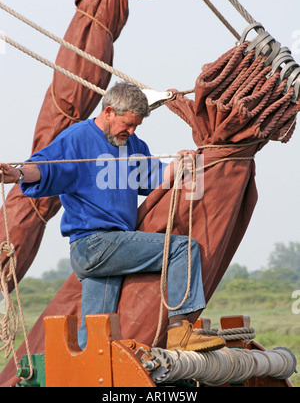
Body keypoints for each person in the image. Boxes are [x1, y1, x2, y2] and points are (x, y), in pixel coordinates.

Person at [0, 82, 225, 352]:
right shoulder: (77, 138)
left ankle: (84, 375)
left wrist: (183, 164)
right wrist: (18, 174)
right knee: (182, 248)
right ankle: (179, 332)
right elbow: (45, 167)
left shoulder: (132, 145)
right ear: (108, 112)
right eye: (127, 124)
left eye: (136, 127)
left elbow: (155, 176)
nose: (130, 132)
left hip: (112, 250)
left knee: (96, 334)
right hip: (93, 244)